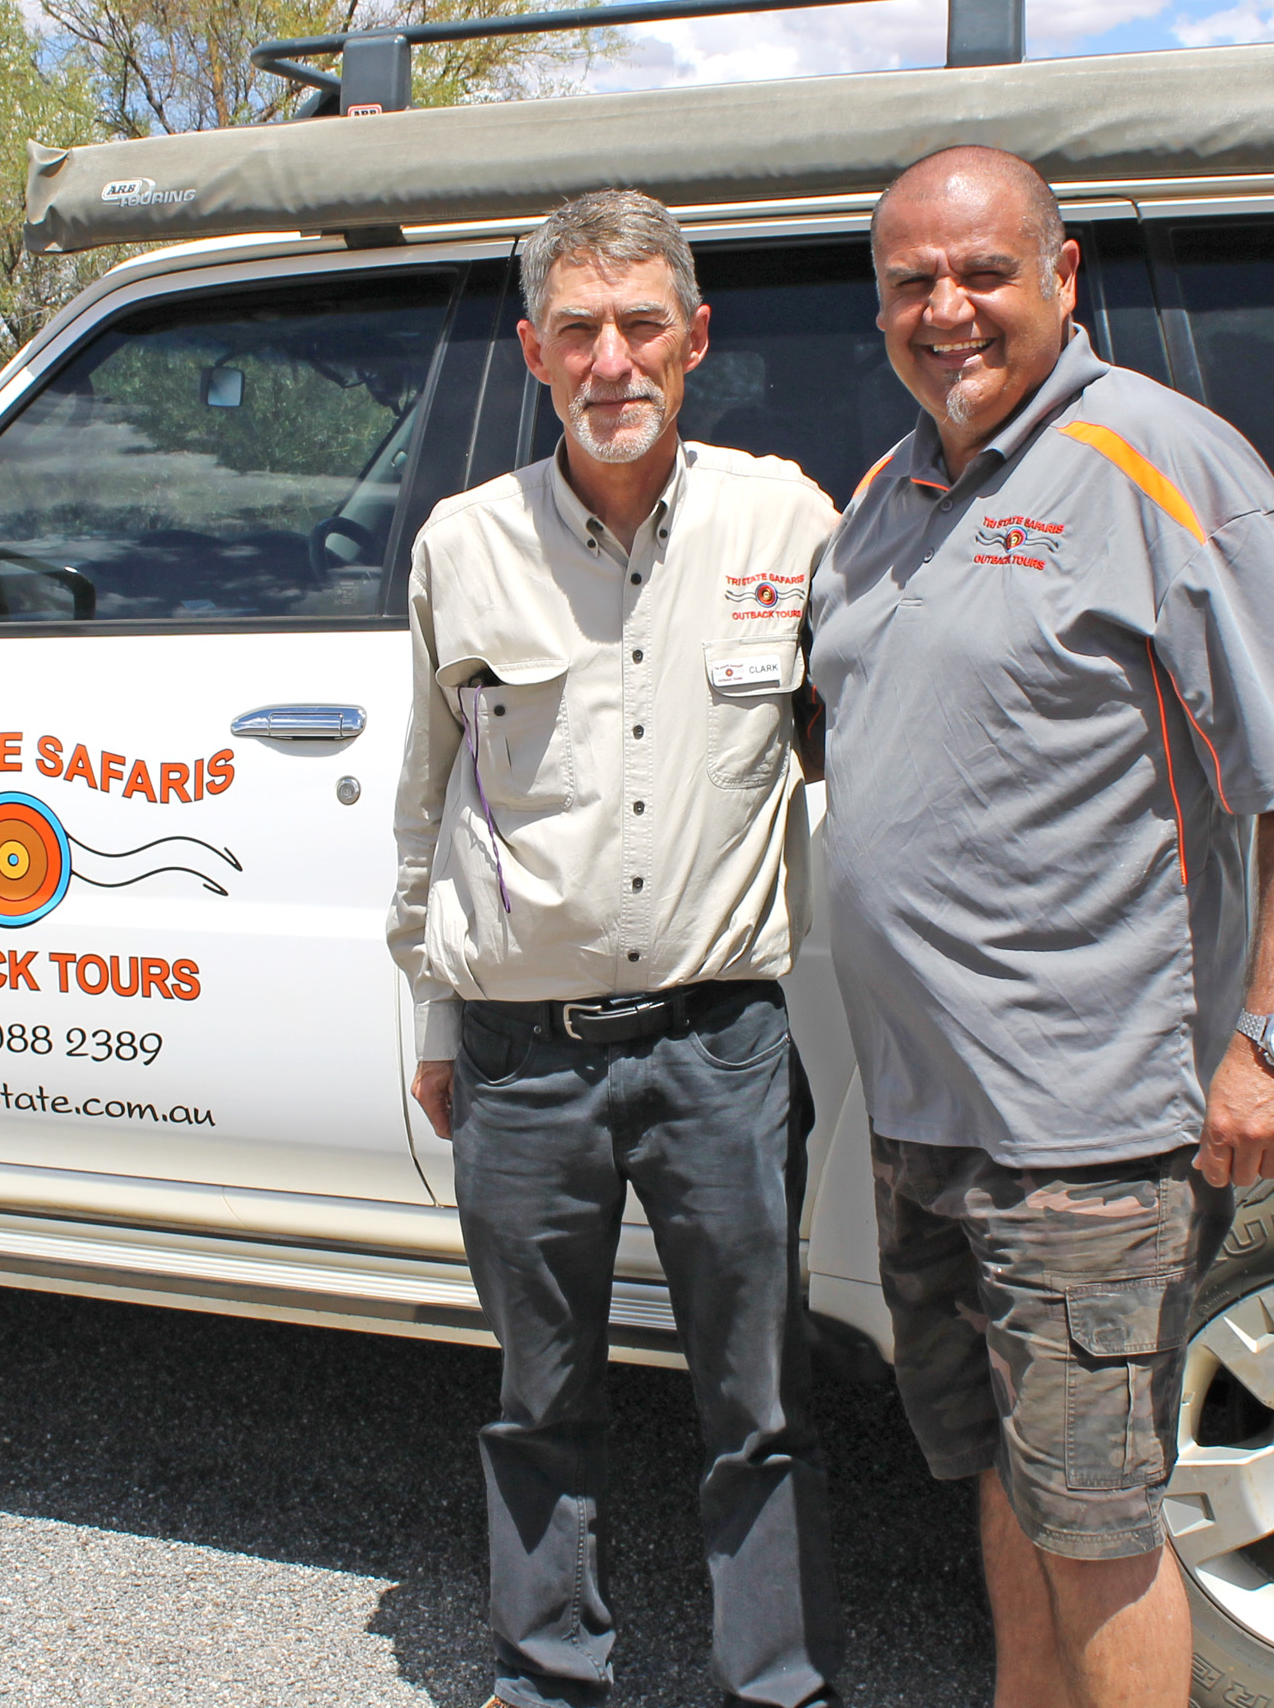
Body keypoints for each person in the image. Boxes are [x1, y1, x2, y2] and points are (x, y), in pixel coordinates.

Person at [804, 146, 1274, 1708]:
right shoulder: (888, 491)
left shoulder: (1160, 459)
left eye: (985, 272)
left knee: (1102, 1518)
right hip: (930, 1113)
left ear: (1066, 278)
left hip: (1086, 1118)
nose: (948, 309)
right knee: (1011, 1475)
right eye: (911, 280)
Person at [389, 188, 844, 1708]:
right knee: (538, 1399)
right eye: (577, 327)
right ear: (533, 347)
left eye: (643, 322)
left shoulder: (789, 520)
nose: (611, 359)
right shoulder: (465, 545)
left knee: (759, 1402)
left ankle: (775, 1682)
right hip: (523, 1061)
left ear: (696, 337)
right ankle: (548, 1673)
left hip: (724, 1048)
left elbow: (872, 752)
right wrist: (440, 1029)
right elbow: (426, 798)